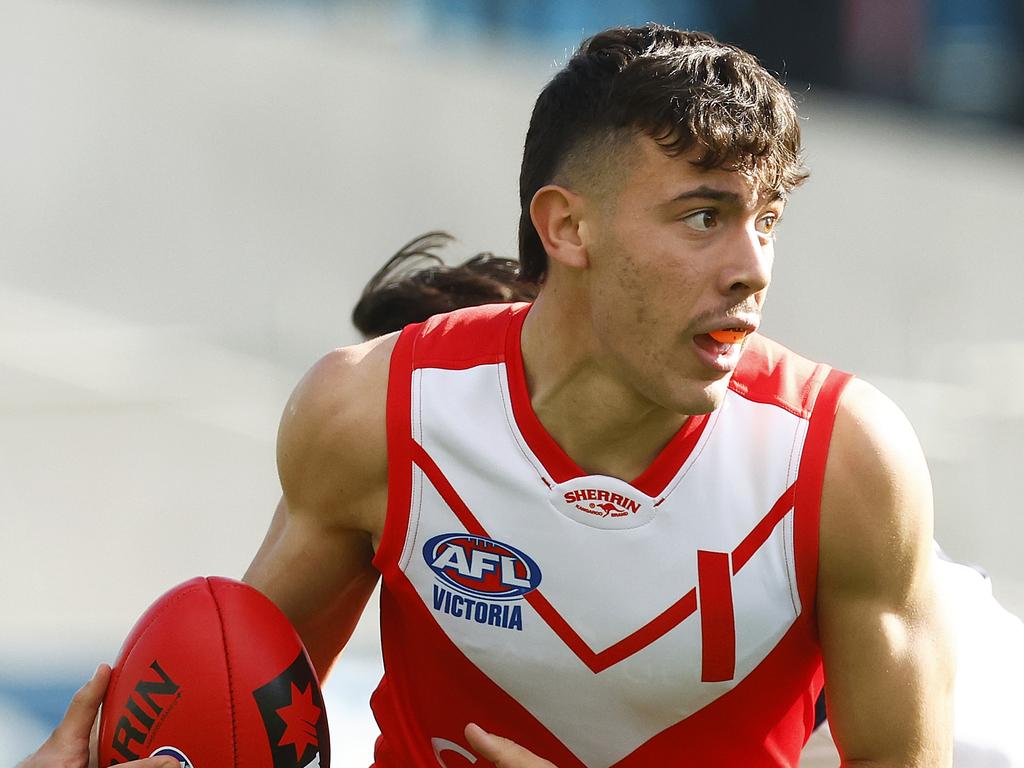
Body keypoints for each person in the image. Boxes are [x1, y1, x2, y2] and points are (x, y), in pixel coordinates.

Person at [244, 24, 954, 767]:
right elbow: (236, 707)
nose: (754, 269)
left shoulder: (845, 460)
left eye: (766, 220)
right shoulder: (373, 411)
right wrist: (151, 733)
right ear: (568, 226)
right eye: (704, 217)